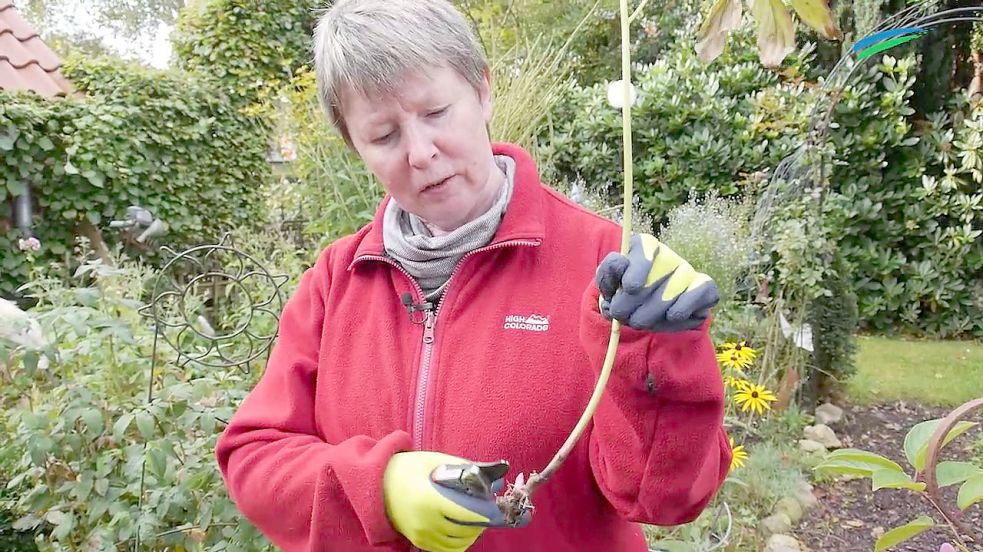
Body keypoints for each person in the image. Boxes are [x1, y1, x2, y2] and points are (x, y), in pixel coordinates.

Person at [215, 1, 731, 551]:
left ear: (483, 91)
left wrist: (660, 353)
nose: (420, 152)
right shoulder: (335, 281)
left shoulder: (603, 264)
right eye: (384, 136)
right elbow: (254, 457)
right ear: (355, 146)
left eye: (436, 112)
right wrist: (379, 487)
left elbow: (667, 499)